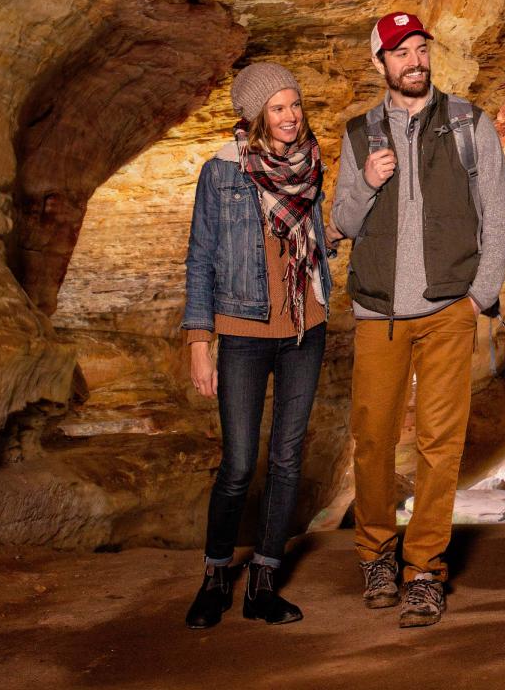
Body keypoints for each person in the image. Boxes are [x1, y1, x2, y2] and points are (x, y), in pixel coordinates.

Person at [332, 11, 505, 628]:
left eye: (420, 49)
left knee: (441, 444)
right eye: (400, 53)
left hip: (446, 312)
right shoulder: (359, 133)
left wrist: (479, 296)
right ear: (379, 63)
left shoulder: (467, 123)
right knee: (373, 441)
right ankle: (376, 556)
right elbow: (344, 222)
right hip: (378, 312)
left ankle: (425, 571)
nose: (414, 62)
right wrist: (366, 181)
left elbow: (498, 211)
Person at [181, 62, 333, 629]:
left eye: (295, 104)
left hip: (305, 328)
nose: (291, 116)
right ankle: (216, 576)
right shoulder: (221, 171)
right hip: (243, 331)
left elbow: (315, 239)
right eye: (278, 108)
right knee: (240, 463)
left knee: (288, 459)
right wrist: (200, 341)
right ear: (255, 115)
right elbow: (200, 258)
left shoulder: (312, 163)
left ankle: (264, 582)